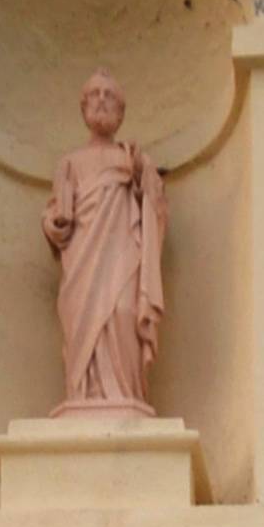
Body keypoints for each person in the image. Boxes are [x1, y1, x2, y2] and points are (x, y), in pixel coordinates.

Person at [44, 74, 166, 411]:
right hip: (82, 263)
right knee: (82, 323)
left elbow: (155, 210)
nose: (101, 100)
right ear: (83, 107)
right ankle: (83, 395)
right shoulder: (69, 163)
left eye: (109, 95)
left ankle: (126, 396)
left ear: (121, 112)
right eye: (94, 94)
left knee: (125, 312)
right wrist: (54, 224)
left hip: (123, 258)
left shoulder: (131, 158)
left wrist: (144, 176)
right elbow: (55, 214)